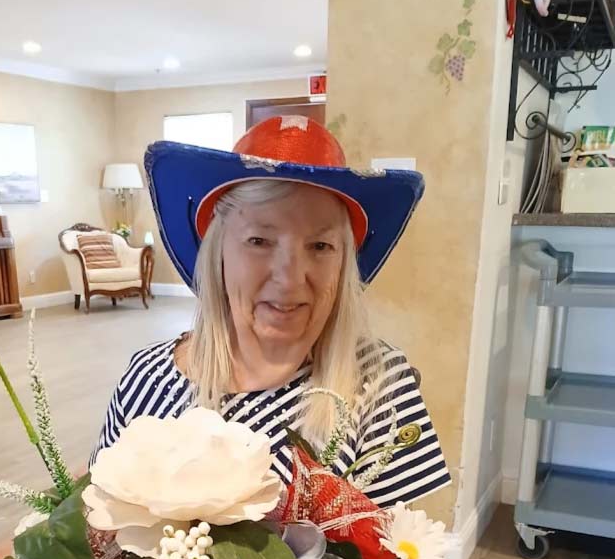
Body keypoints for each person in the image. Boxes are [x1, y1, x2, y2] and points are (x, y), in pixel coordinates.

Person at [90, 115, 450, 508]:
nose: (290, 279)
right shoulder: (147, 379)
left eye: (320, 246)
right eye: (259, 240)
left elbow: (400, 545)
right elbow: (97, 520)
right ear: (218, 255)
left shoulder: (379, 384)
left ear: (344, 265)